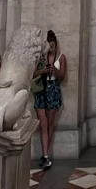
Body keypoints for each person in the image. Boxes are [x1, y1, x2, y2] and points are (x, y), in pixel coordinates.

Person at [33, 29, 66, 171]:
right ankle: (45, 155)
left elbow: (62, 76)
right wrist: (43, 71)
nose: (50, 48)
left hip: (53, 89)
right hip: (41, 89)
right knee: (42, 124)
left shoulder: (61, 57)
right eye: (49, 45)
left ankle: (45, 155)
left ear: (55, 44)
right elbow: (32, 73)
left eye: (52, 45)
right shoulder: (41, 58)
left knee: (49, 124)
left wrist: (54, 70)